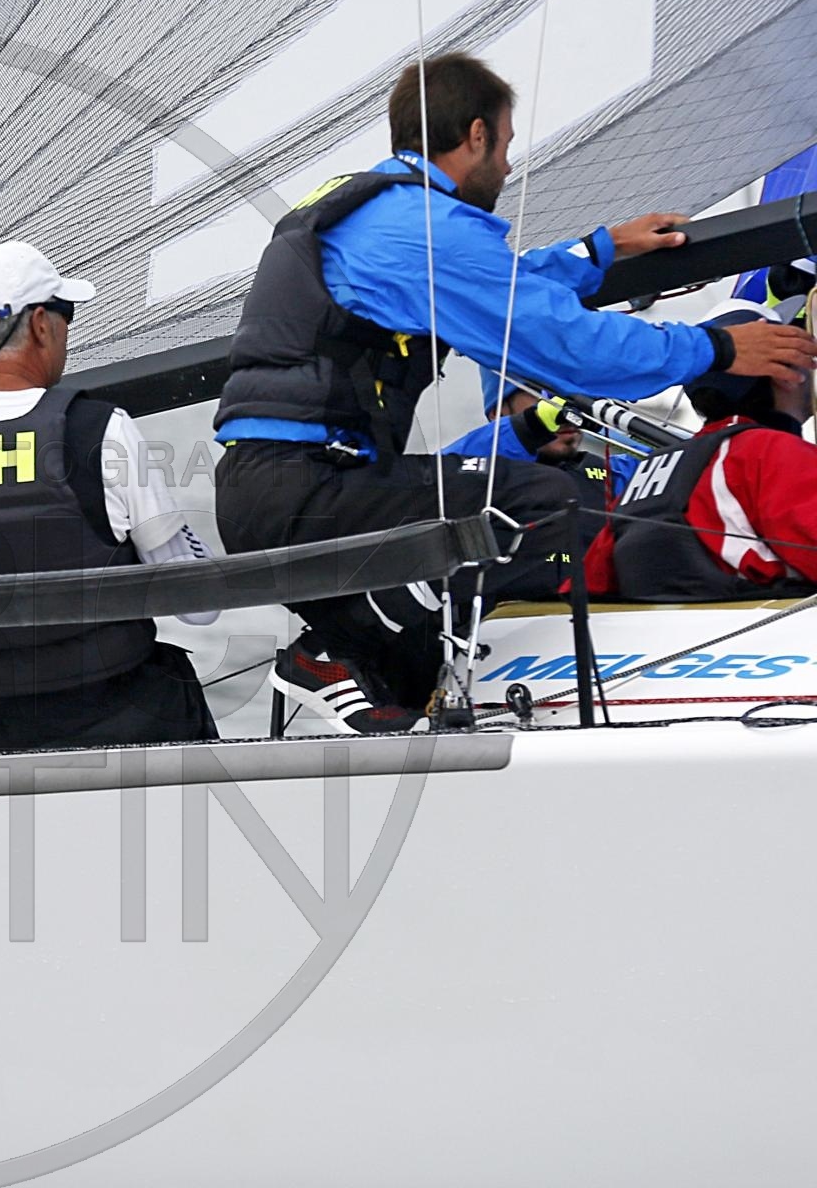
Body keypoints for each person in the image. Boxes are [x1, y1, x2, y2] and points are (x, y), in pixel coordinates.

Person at [212, 51, 817, 733]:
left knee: (495, 503)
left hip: (278, 486)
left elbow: (503, 282)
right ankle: (335, 652)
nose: (506, 167)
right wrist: (719, 348)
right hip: (309, 490)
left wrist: (600, 251)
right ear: (475, 135)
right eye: (504, 145)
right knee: (535, 504)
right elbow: (568, 347)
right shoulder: (427, 228)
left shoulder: (376, 211)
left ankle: (392, 689)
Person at [0, 241, 220, 756]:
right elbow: (199, 607)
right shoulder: (101, 432)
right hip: (120, 726)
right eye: (65, 312)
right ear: (38, 325)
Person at [585, 304, 817, 601]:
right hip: (766, 623)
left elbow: (593, 581)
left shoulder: (654, 469)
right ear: (785, 373)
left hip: (663, 625)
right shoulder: (770, 452)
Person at [439, 366, 638, 584]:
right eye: (545, 396)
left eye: (577, 396)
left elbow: (661, 464)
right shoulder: (475, 476)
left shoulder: (614, 475)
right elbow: (436, 479)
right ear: (498, 413)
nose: (568, 410)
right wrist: (533, 425)